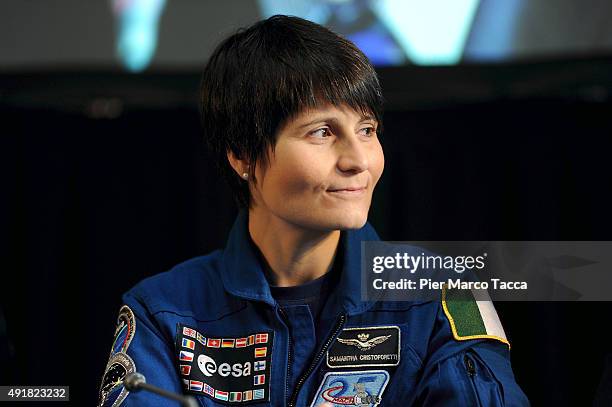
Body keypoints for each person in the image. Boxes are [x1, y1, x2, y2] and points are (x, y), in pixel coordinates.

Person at [98, 15, 530, 407]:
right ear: (242, 155)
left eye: (366, 130)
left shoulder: (446, 291)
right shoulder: (162, 312)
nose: (358, 160)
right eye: (322, 132)